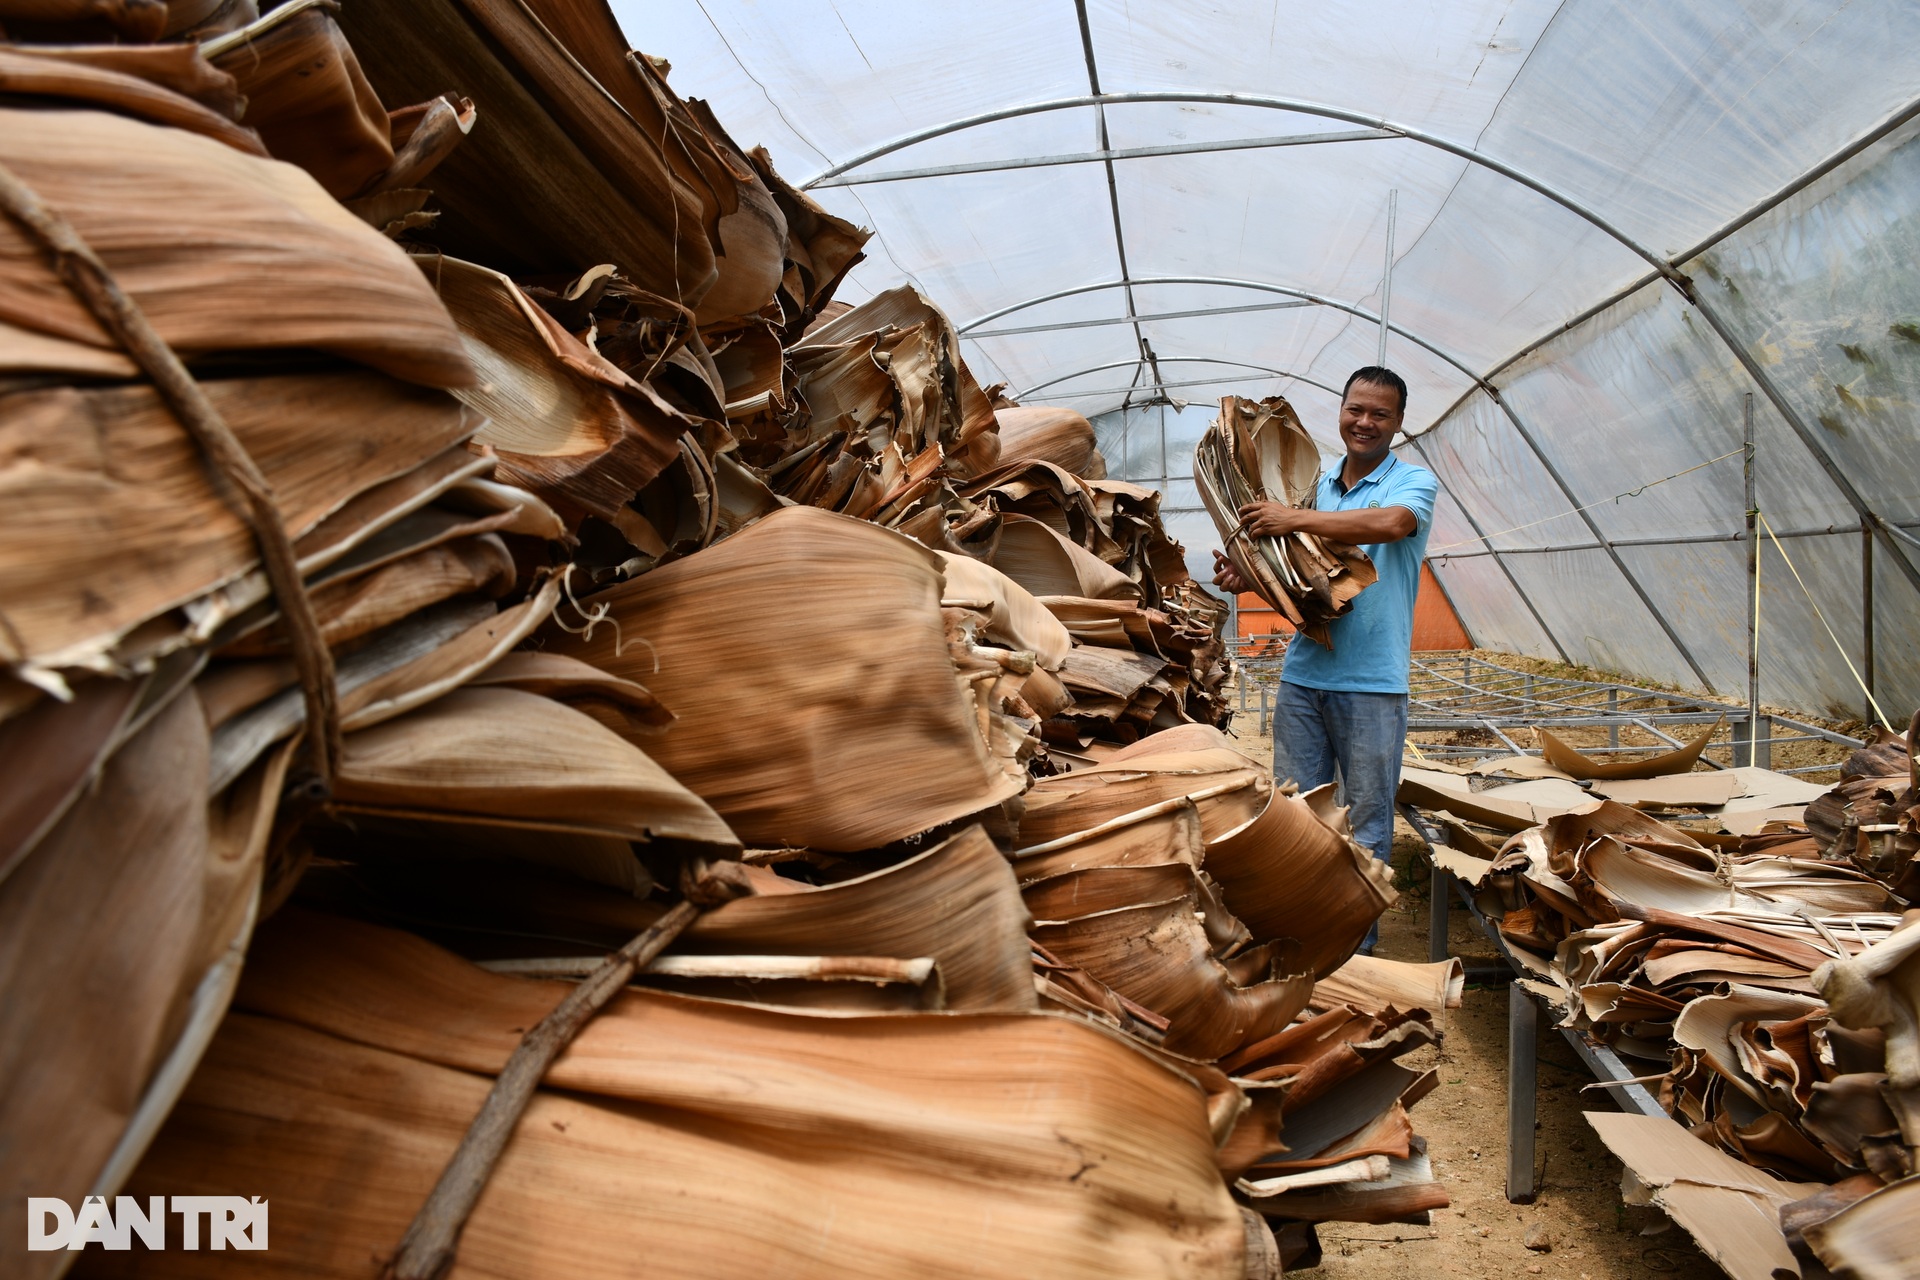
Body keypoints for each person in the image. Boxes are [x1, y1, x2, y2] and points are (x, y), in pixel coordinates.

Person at [1212, 366, 1437, 954]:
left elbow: (1391, 525)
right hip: (1305, 676)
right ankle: (1301, 943)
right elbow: (1305, 584)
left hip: (1373, 684)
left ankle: (1356, 956)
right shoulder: (1313, 485)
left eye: (1380, 414)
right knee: (1297, 816)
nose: (1365, 422)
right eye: (1356, 409)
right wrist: (1250, 576)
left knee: (1365, 824)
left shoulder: (1410, 484)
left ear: (1398, 422)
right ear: (1340, 411)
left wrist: (1292, 519)